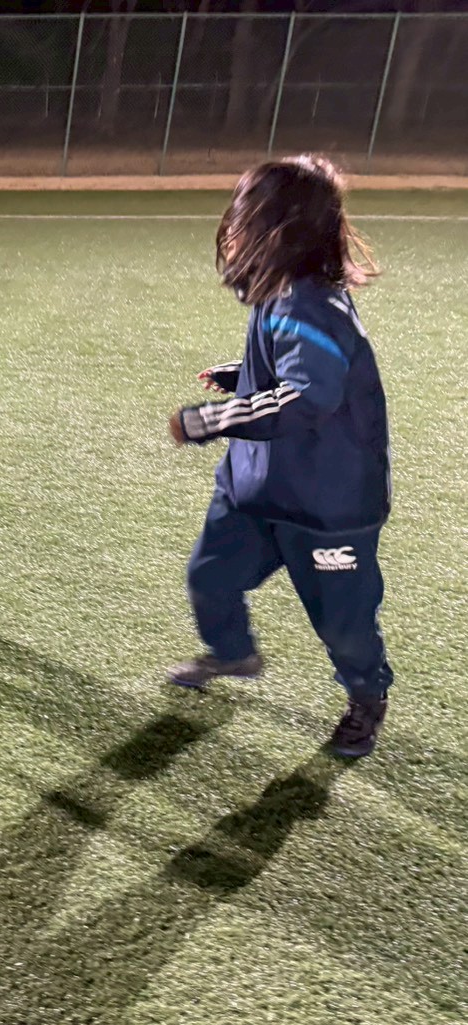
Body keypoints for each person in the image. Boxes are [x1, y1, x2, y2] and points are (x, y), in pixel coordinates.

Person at [167, 154, 393, 759]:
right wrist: (242, 374)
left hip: (327, 505)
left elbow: (307, 396)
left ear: (282, 229)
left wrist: (212, 419)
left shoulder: (310, 305)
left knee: (343, 620)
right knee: (211, 577)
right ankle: (234, 653)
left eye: (246, 218)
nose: (233, 232)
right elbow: (291, 370)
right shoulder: (285, 293)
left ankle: (366, 695)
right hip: (257, 488)